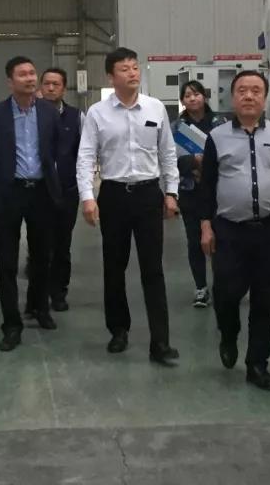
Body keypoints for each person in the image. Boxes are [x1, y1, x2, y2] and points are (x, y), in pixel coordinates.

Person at [198, 70, 270, 392]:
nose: (249, 96)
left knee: (265, 300)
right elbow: (207, 186)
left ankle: (257, 365)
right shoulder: (217, 137)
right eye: (242, 90)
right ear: (232, 98)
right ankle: (228, 335)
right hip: (229, 231)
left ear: (265, 98)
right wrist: (205, 227)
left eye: (256, 90)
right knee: (226, 294)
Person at [77, 47, 180, 366]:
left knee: (153, 269)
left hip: (149, 194)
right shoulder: (97, 113)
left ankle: (160, 342)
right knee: (114, 266)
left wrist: (171, 192)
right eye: (124, 69)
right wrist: (87, 197)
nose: (132, 73)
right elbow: (86, 156)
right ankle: (118, 330)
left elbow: (168, 153)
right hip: (114, 196)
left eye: (135, 67)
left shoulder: (155, 108)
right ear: (111, 76)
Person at [0, 55, 62, 352]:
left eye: (32, 73)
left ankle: (39, 307)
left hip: (41, 192)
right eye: (22, 74)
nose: (29, 78)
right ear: (10, 81)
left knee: (42, 257)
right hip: (9, 193)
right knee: (7, 261)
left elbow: (54, 151)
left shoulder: (49, 112)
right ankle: (11, 324)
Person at [172, 80, 224, 309]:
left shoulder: (219, 124)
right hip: (190, 190)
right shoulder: (176, 127)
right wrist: (194, 162)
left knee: (221, 240)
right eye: (187, 95)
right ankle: (201, 288)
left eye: (196, 94)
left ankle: (223, 284)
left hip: (218, 191)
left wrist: (208, 163)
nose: (192, 98)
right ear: (182, 101)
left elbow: (229, 153)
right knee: (195, 241)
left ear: (204, 97)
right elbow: (169, 158)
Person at [36, 67, 82, 312]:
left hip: (67, 190)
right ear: (40, 87)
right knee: (40, 245)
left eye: (56, 84)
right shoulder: (30, 114)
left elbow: (83, 154)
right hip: (38, 190)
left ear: (64, 89)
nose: (51, 88)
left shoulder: (76, 117)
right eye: (47, 83)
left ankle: (59, 293)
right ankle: (38, 294)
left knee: (63, 245)